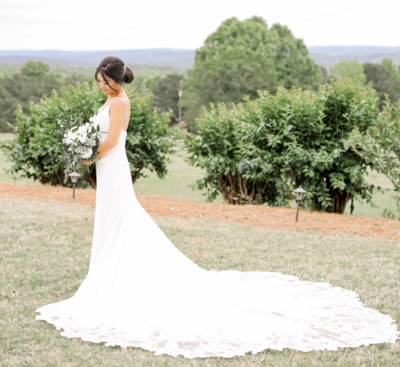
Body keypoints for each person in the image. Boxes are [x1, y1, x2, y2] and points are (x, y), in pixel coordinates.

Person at [36, 56, 399, 359]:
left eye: (104, 81)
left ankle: (118, 277)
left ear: (116, 79)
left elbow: (112, 140)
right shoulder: (111, 100)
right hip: (110, 169)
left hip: (112, 167)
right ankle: (107, 271)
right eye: (98, 82)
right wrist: (84, 145)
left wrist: (88, 155)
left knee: (122, 220)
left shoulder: (119, 102)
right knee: (116, 221)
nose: (101, 87)